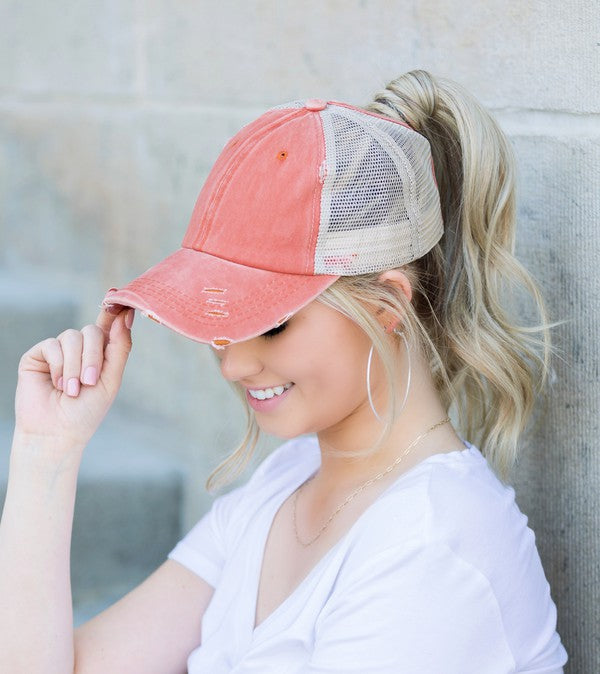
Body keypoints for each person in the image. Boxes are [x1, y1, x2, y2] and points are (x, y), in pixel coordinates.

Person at [0, 70, 568, 673]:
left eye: (271, 323)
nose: (234, 363)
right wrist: (45, 450)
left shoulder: (432, 543)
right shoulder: (284, 486)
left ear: (387, 305)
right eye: (221, 320)